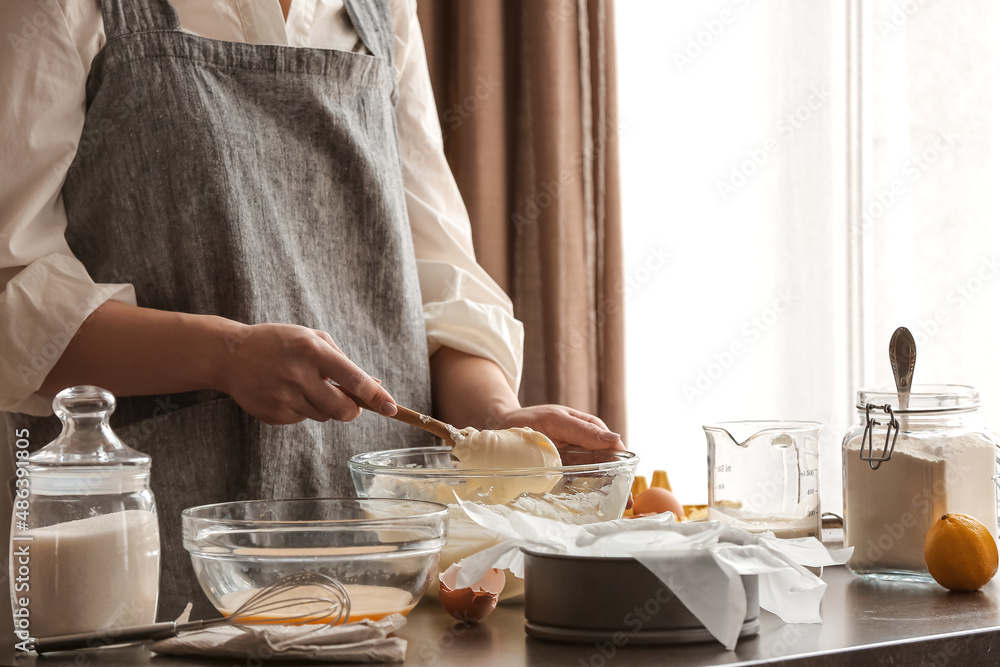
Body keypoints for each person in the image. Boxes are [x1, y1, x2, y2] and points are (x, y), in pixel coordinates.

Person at [0, 0, 622, 619]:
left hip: (393, 578)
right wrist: (225, 357)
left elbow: (440, 273)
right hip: (163, 576)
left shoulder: (382, 10)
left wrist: (496, 425)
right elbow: (13, 293)